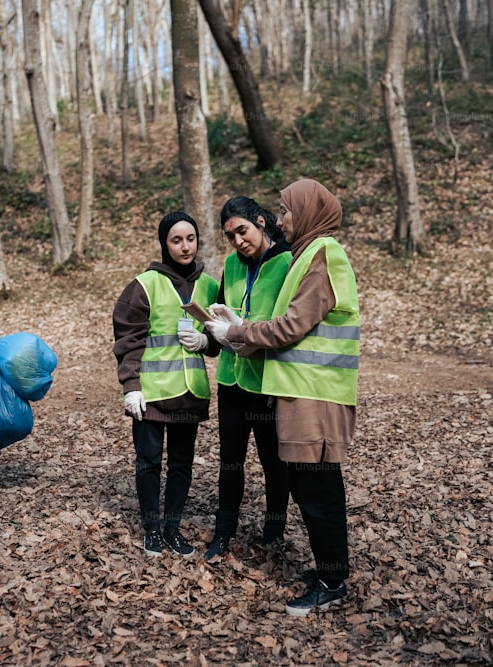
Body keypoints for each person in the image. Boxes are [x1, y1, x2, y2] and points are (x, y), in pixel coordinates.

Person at [205, 179, 358, 615]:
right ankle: (331, 571)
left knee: (318, 490)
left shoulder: (323, 256)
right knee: (310, 485)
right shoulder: (310, 254)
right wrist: (235, 325)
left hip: (318, 395)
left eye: (286, 210)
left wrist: (233, 331)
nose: (281, 219)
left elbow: (290, 326)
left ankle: (331, 582)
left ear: (307, 211)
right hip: (300, 394)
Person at [112, 211, 220, 558]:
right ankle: (152, 530)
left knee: (181, 464)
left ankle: (173, 529)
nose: (185, 246)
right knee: (148, 463)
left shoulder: (209, 287)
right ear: (165, 244)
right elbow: (128, 338)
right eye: (177, 240)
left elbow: (220, 337)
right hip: (152, 394)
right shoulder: (145, 285)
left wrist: (207, 343)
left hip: (190, 394)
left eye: (190, 239)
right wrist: (131, 386)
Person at [203, 195, 294, 561]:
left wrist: (246, 330)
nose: (238, 242)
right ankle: (223, 534)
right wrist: (212, 331)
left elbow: (289, 323)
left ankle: (274, 530)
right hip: (232, 380)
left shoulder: (288, 260)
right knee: (230, 460)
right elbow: (222, 314)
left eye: (242, 231)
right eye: (230, 236)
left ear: (260, 222)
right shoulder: (231, 264)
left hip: (268, 379)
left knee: (275, 461)